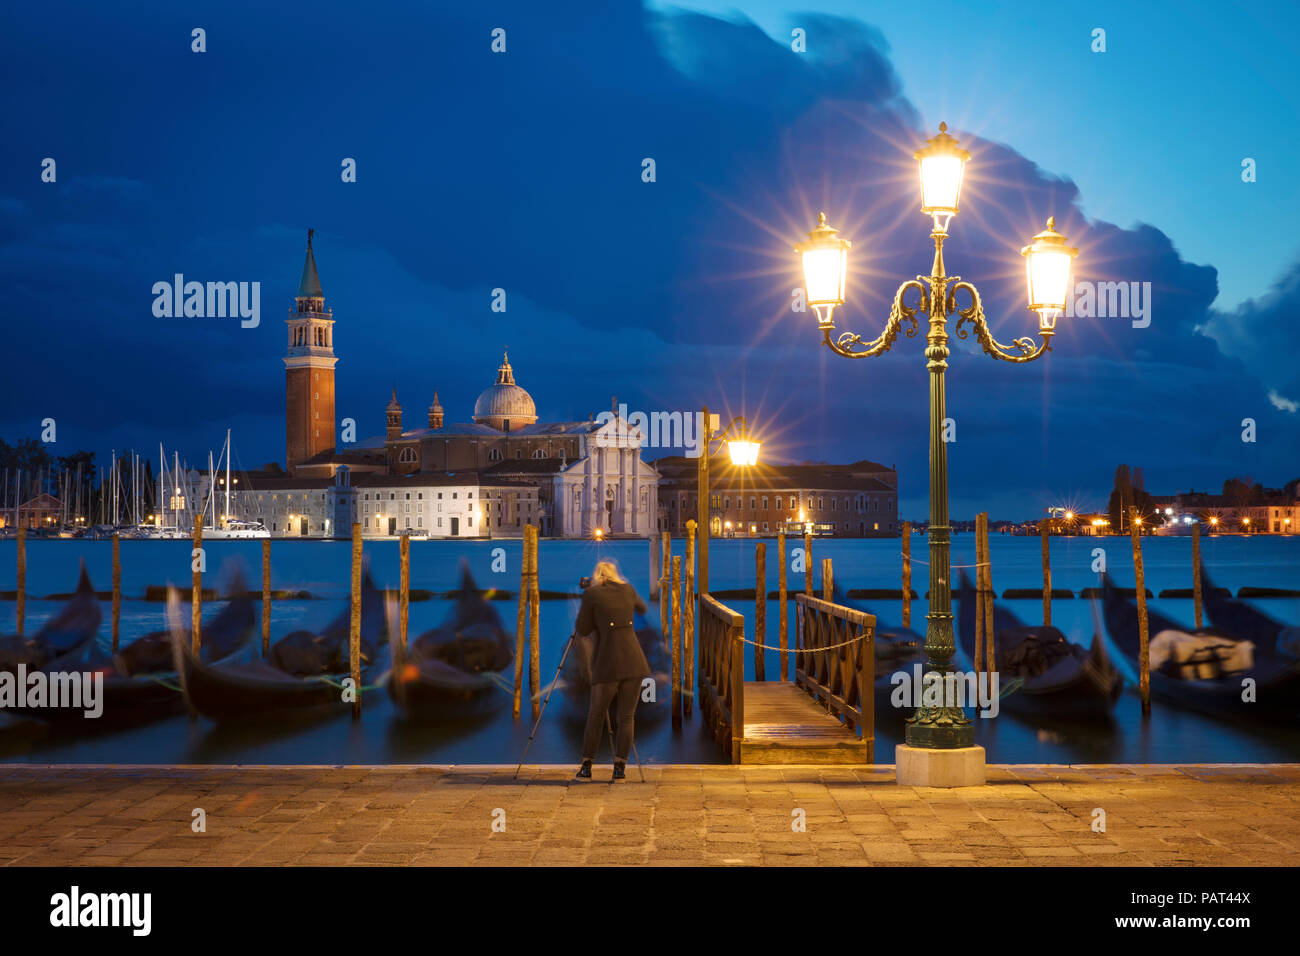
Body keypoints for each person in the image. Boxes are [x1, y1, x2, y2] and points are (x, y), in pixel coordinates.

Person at [573, 559, 649, 781]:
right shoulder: (628, 589)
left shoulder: (592, 594)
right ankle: (620, 769)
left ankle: (587, 767)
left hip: (607, 663)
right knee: (626, 717)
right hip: (635, 661)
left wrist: (590, 602)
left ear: (597, 577)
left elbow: (582, 629)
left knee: (596, 715)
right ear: (615, 575)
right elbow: (642, 609)